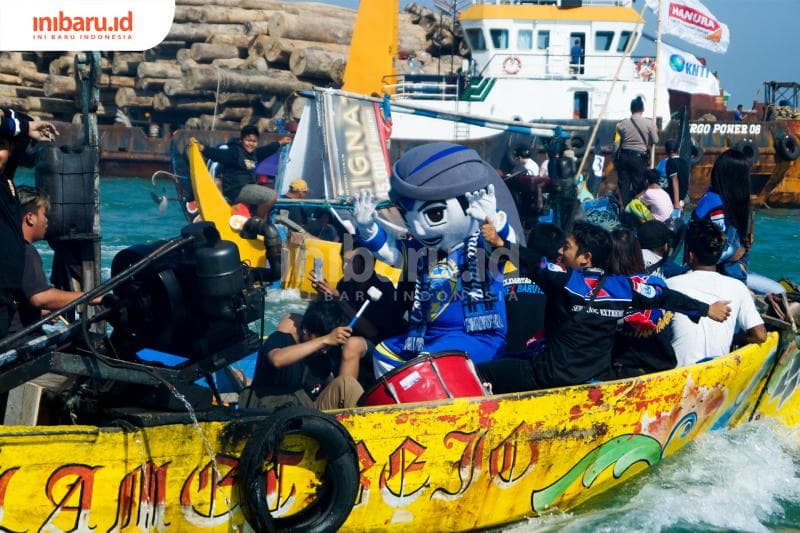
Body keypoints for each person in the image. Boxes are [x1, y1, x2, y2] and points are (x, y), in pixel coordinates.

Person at [477, 220, 730, 392]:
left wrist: (500, 243)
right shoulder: (622, 288)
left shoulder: (566, 279)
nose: (561, 252)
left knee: (481, 373)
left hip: (551, 375)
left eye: (567, 247)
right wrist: (706, 309)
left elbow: (535, 261)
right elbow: (664, 296)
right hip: (594, 376)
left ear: (586, 257)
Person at [667, 220, 766, 367]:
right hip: (717, 371)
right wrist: (738, 340)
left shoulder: (670, 285)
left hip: (677, 373)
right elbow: (760, 335)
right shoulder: (738, 287)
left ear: (690, 255)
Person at [242, 299, 365, 410]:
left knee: (346, 383)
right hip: (271, 412)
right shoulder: (281, 339)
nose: (325, 350)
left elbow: (327, 383)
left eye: (329, 345)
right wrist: (324, 340)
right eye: (323, 341)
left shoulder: (323, 356)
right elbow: (277, 359)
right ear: (305, 329)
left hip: (309, 414)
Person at [0, 108, 58, 340]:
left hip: (5, 297)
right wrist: (22, 128)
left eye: (4, 146)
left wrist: (24, 126)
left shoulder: (7, 183)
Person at [10, 187, 100, 333]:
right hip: (18, 342)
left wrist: (38, 313)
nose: (47, 221)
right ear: (30, 217)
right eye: (44, 215)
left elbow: (14, 300)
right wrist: (91, 296)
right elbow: (40, 297)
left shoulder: (8, 247)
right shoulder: (26, 251)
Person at [609, 228, 678, 377]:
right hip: (662, 367)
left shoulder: (607, 290)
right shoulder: (658, 283)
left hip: (622, 370)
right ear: (637, 253)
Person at [194, 126, 291, 218]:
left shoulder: (254, 154)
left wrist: (280, 142)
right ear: (241, 140)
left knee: (267, 195)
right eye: (248, 140)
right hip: (237, 189)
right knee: (271, 196)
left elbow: (266, 150)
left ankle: (254, 218)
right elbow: (218, 154)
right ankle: (257, 220)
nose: (251, 144)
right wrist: (203, 148)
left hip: (248, 188)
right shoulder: (235, 152)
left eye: (254, 141)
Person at [503, 223, 564, 356]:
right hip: (539, 354)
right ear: (559, 251)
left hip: (503, 353)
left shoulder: (502, 267)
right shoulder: (558, 276)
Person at [691, 146, 752, 282]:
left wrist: (742, 263)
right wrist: (737, 257)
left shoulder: (714, 198)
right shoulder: (716, 203)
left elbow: (745, 244)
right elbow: (712, 250)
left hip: (729, 270)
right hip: (718, 274)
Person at [614, 97, 659, 205]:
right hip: (639, 158)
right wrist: (655, 130)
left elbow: (616, 144)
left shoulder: (622, 124)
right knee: (638, 186)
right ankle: (636, 210)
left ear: (631, 109)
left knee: (623, 186)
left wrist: (615, 158)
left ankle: (623, 210)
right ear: (643, 109)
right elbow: (655, 140)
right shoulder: (649, 123)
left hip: (624, 157)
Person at [546, 134, 578, 232]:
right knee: (569, 222)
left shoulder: (553, 162)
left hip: (561, 198)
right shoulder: (571, 160)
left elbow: (556, 183)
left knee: (560, 224)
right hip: (572, 194)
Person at [663, 138, 690, 215]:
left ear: (666, 151)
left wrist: (676, 203)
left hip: (675, 197)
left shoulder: (670, 162)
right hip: (684, 195)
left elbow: (675, 182)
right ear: (677, 149)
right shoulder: (684, 161)